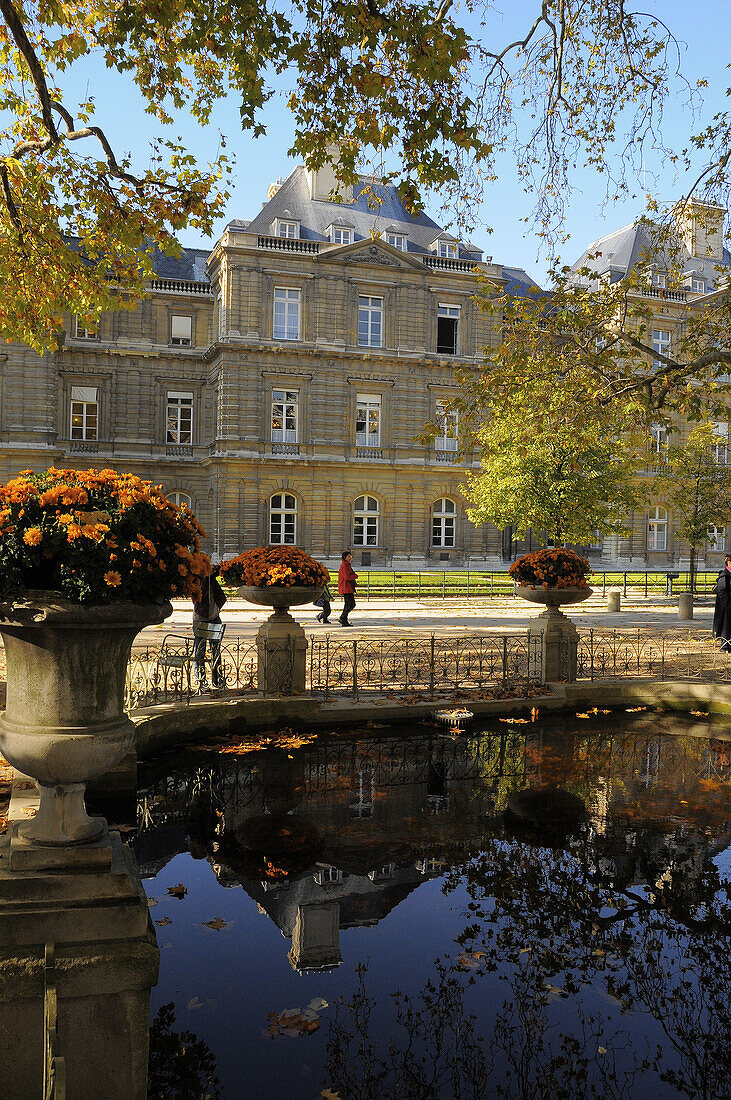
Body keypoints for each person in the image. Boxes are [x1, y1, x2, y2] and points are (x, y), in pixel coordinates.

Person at [192, 567, 227, 688]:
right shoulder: (201, 582)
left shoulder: (212, 581)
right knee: (199, 652)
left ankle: (216, 680)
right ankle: (201, 680)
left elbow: (221, 598)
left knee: (215, 651)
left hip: (213, 617)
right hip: (201, 618)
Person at [712, 554, 731, 651]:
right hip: (727, 607)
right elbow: (722, 592)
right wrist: (727, 604)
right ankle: (725, 645)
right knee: (726, 627)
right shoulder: (724, 576)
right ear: (729, 563)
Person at [337, 549, 358, 626]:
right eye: (349, 556)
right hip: (346, 588)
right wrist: (355, 576)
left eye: (350, 556)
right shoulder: (344, 566)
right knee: (351, 604)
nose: (350, 557)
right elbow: (347, 577)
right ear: (345, 557)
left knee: (347, 604)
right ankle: (342, 618)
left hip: (348, 587)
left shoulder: (347, 565)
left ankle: (344, 620)